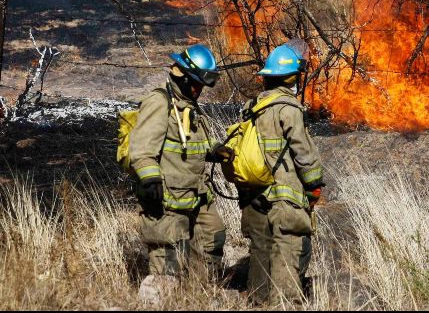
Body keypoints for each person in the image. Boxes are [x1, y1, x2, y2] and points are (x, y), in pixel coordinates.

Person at [129, 44, 227, 294]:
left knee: (212, 236)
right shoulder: (159, 102)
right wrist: (150, 180)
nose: (200, 91)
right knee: (167, 254)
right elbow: (141, 149)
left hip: (196, 194)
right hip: (168, 199)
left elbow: (189, 145)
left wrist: (213, 151)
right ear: (183, 76)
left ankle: (198, 294)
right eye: (197, 84)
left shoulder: (188, 106)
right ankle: (162, 299)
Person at [238, 43, 325, 305]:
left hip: (253, 191)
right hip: (283, 193)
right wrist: (314, 185)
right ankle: (285, 303)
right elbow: (303, 151)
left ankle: (257, 301)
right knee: (287, 244)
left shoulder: (251, 106)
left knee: (261, 247)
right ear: (292, 78)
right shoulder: (289, 107)